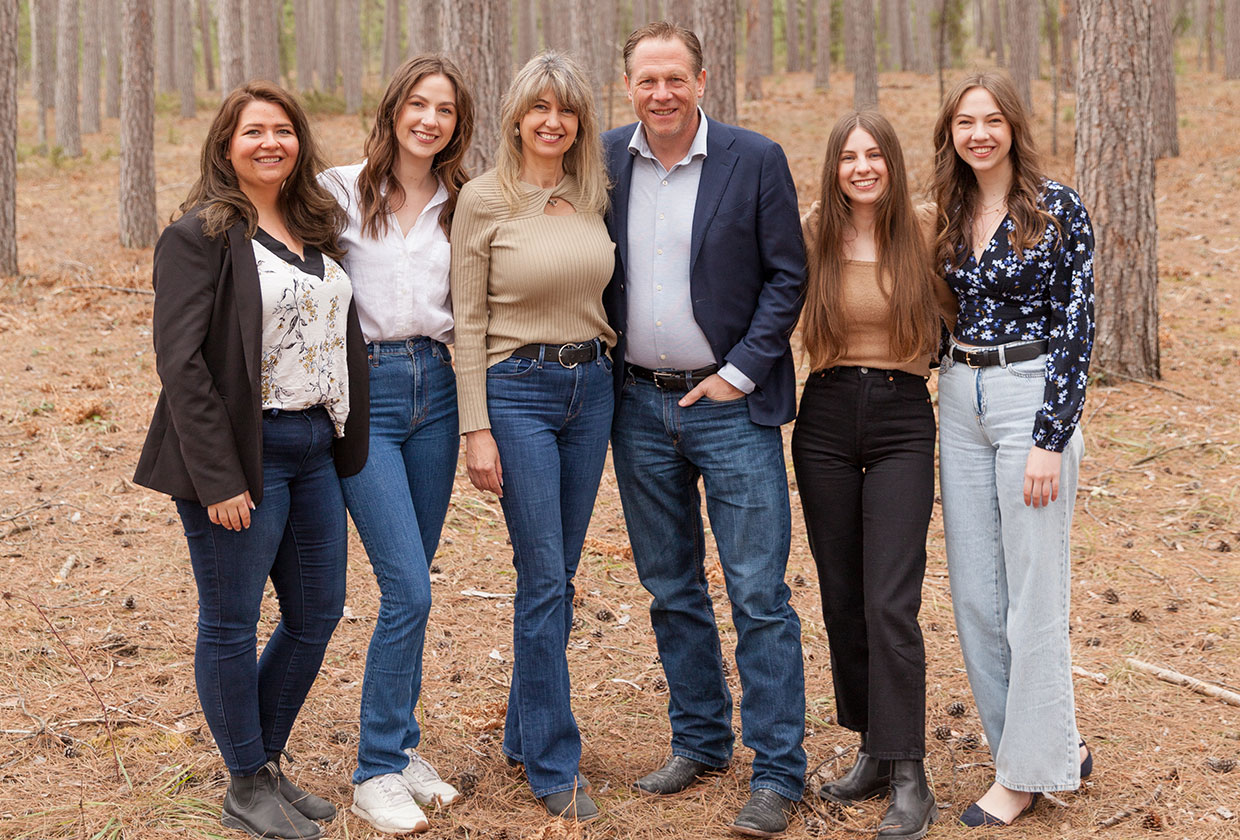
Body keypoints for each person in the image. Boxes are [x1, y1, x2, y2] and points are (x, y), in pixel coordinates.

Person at [133, 81, 368, 840]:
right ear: (226, 145)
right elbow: (183, 364)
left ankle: (261, 763)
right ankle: (245, 783)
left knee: (316, 614)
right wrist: (219, 477)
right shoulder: (198, 235)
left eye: (284, 130)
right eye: (253, 131)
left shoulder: (314, 229)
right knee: (231, 622)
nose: (271, 143)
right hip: (243, 453)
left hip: (312, 449)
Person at [602, 21, 807, 838]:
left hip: (729, 408)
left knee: (758, 591)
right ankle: (700, 739)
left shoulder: (753, 159)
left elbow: (788, 275)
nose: (661, 94)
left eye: (675, 78)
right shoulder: (606, 158)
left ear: (702, 78)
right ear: (628, 88)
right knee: (669, 586)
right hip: (637, 406)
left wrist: (740, 371)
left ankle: (779, 769)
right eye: (646, 80)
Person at [450, 51, 615, 823]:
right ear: (516, 115)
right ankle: (554, 762)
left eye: (567, 110)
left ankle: (523, 730)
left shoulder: (591, 193)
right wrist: (476, 426)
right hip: (518, 392)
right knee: (544, 575)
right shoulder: (484, 200)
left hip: (593, 389)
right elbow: (469, 321)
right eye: (539, 108)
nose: (553, 121)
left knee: (560, 571)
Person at [931, 71, 1095, 828]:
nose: (979, 133)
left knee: (1033, 592)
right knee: (975, 592)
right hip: (961, 395)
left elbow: (1076, 325)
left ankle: (1027, 775)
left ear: (1013, 127)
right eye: (966, 121)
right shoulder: (950, 211)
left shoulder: (1058, 208)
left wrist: (1049, 440)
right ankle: (1031, 744)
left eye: (992, 119)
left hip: (1032, 394)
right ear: (952, 133)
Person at [319, 55, 473, 835]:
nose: (429, 119)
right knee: (408, 588)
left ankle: (402, 745)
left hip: (437, 393)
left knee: (416, 585)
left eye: (444, 109)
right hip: (366, 394)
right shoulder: (340, 189)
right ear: (394, 110)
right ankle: (376, 766)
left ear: (457, 124)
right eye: (418, 104)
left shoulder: (464, 203)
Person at [791, 111, 953, 840]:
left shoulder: (925, 226)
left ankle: (910, 773)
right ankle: (873, 751)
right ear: (834, 166)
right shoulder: (813, 229)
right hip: (823, 416)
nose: (862, 167)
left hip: (900, 419)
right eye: (848, 156)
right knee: (843, 594)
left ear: (892, 161)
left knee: (892, 599)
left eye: (874, 154)